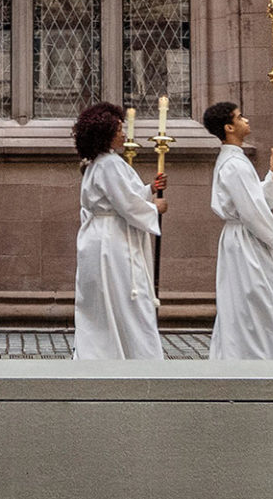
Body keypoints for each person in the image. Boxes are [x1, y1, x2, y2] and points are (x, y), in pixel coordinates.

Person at [71, 101, 166, 360]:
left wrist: (149, 190)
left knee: (105, 303)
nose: (124, 134)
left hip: (101, 238)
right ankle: (136, 358)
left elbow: (119, 197)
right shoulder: (110, 164)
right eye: (119, 129)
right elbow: (126, 203)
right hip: (112, 243)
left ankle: (106, 354)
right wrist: (154, 208)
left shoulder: (98, 164)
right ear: (106, 133)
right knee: (127, 300)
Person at [202, 101, 273, 361]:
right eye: (240, 117)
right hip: (245, 242)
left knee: (250, 301)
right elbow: (251, 211)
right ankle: (253, 358)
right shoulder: (234, 165)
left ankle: (254, 355)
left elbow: (252, 201)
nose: (246, 120)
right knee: (255, 300)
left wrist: (272, 174)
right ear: (229, 127)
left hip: (244, 238)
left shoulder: (236, 161)